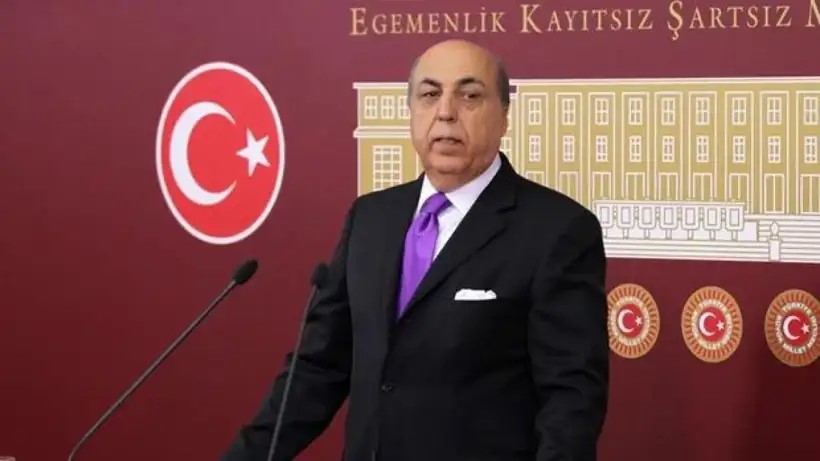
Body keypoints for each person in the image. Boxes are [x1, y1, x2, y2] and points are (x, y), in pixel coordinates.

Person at [222, 39, 609, 461]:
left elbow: (570, 403)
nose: (446, 112)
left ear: (504, 116)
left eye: (470, 96)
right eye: (429, 94)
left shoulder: (556, 230)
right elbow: (318, 367)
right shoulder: (371, 218)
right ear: (411, 112)